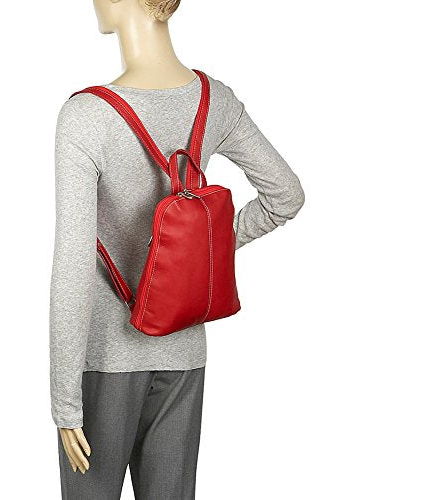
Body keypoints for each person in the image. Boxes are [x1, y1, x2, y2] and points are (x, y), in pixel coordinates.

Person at [49, 0, 305, 498]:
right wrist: (201, 253)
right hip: (184, 352)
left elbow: (73, 266)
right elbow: (286, 195)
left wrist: (64, 403)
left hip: (104, 359)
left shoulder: (86, 116)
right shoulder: (214, 100)